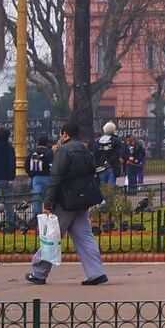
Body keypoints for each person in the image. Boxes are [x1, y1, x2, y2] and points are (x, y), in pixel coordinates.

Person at [27, 120, 107, 286]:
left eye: (61, 134)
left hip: (66, 200)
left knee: (53, 236)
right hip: (83, 199)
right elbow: (93, 172)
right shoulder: (85, 150)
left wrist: (48, 202)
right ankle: (96, 272)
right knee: (85, 236)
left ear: (65, 134)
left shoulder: (64, 151)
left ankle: (39, 272)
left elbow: (55, 178)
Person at [26, 135, 54, 217]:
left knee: (37, 198)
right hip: (47, 177)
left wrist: (31, 175)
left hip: (36, 178)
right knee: (48, 198)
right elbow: (52, 165)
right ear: (47, 143)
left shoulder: (32, 152)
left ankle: (36, 217)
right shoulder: (49, 152)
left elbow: (27, 165)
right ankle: (47, 216)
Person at [95, 122, 123, 191]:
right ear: (113, 130)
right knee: (110, 188)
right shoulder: (116, 140)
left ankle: (103, 200)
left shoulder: (98, 141)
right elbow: (118, 153)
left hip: (100, 167)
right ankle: (109, 201)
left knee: (102, 187)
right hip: (112, 166)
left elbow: (95, 154)